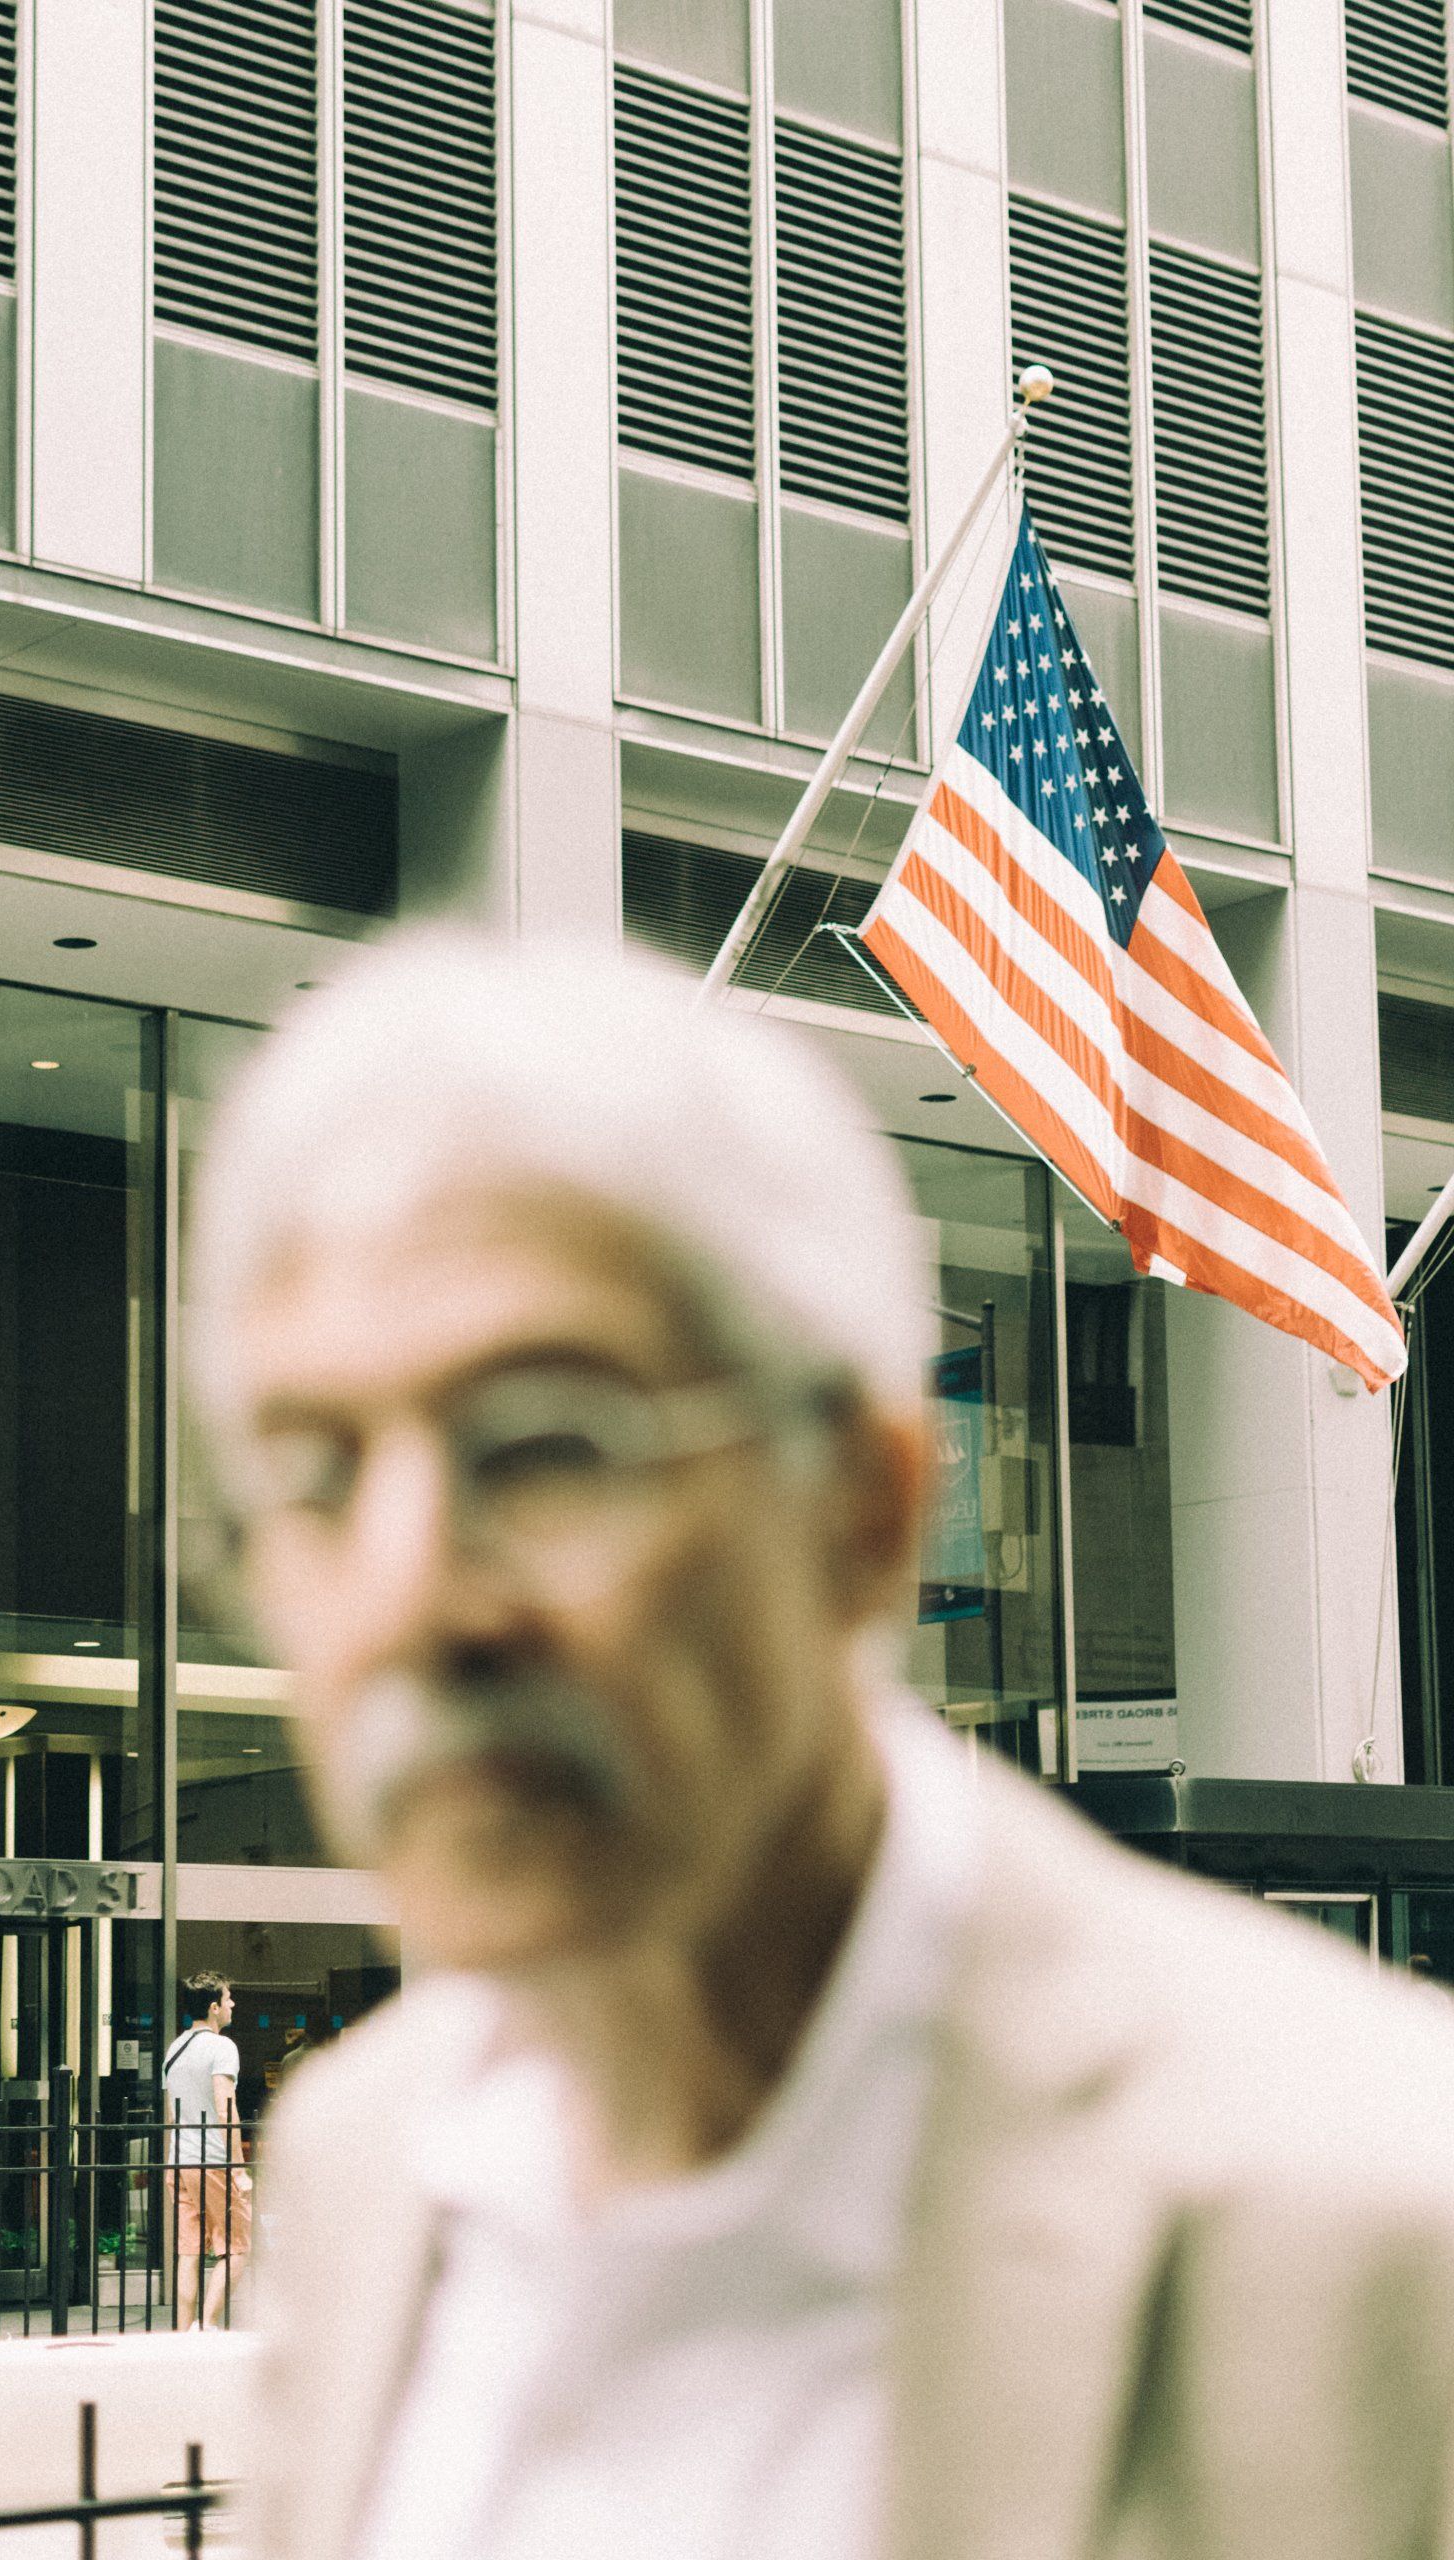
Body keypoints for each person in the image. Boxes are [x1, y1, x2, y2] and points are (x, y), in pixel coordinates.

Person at [192, 930, 1454, 2560]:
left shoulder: (1380, 2219)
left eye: (545, 1445)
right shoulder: (361, 2166)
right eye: (313, 1476)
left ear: (864, 1512)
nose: (408, 1596)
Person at [163, 1971, 251, 2328]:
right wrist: (239, 2169)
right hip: (214, 2161)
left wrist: (171, 2160)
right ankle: (207, 2324)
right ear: (214, 2008)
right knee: (236, 2247)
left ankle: (184, 2331)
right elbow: (224, 2105)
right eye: (228, 1999)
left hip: (180, 2160)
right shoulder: (222, 2047)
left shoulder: (175, 2048)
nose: (232, 2005)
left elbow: (173, 2113)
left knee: (189, 2251)